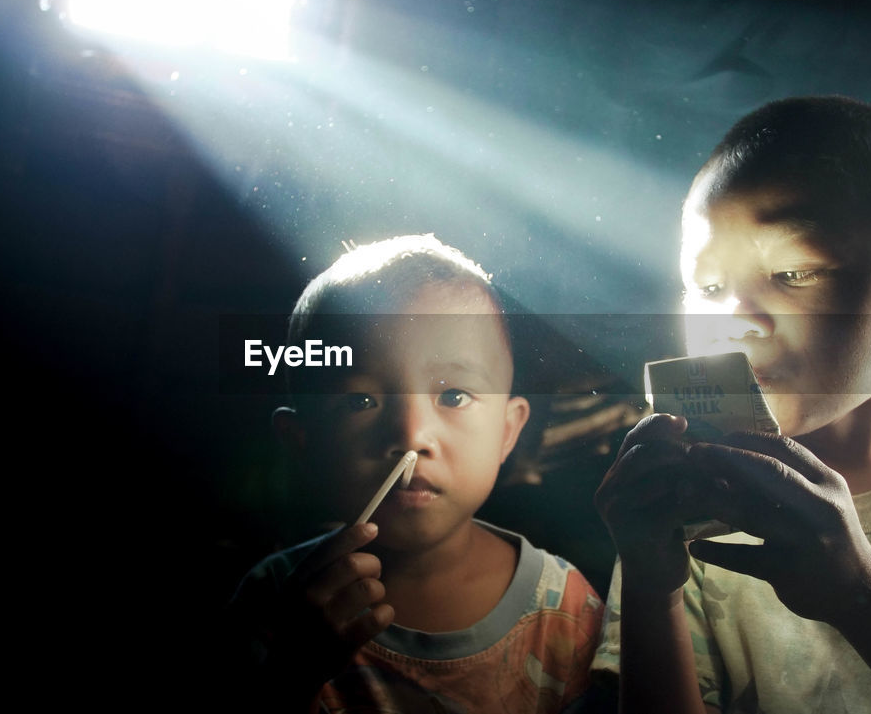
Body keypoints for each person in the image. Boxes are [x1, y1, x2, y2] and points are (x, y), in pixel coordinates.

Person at [591, 96, 871, 713]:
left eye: (795, 271)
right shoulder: (685, 520)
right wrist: (653, 591)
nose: (737, 318)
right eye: (708, 288)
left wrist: (860, 591)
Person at [225, 234, 604, 713]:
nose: (411, 435)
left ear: (507, 432)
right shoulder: (274, 601)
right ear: (302, 440)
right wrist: (291, 673)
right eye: (361, 401)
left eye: (453, 396)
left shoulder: (565, 609)